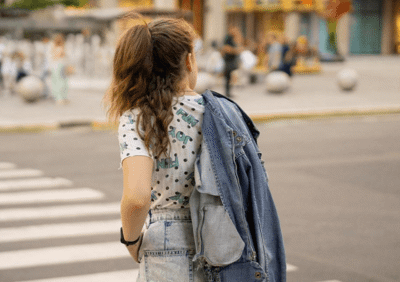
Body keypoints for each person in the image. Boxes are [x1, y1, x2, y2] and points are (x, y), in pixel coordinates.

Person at [106, 14, 286, 281]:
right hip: (225, 244)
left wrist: (131, 242)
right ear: (189, 61)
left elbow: (136, 197)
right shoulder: (223, 114)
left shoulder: (137, 117)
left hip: (165, 244)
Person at [222, 25, 243, 97]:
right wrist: (235, 51)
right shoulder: (227, 38)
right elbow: (225, 48)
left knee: (231, 76)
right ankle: (227, 92)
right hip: (228, 60)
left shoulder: (234, 38)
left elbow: (239, 46)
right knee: (228, 76)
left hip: (233, 60)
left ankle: (229, 91)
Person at [48, 34, 70, 105]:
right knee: (62, 82)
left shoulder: (53, 48)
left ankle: (59, 98)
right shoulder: (61, 48)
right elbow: (62, 57)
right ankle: (61, 98)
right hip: (60, 66)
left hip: (55, 66)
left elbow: (52, 58)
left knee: (56, 82)